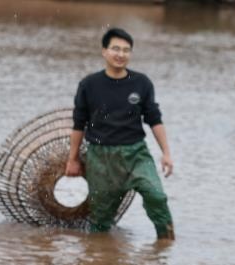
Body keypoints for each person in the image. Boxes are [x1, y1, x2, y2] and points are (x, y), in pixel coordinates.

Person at [65, 27, 175, 240]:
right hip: (100, 157)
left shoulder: (141, 83)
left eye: (126, 50)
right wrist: (73, 159)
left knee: (157, 196)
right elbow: (79, 124)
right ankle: (99, 259)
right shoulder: (89, 85)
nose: (120, 54)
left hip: (136, 154)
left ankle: (166, 245)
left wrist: (166, 153)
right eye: (115, 49)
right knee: (100, 220)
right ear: (104, 51)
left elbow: (154, 119)